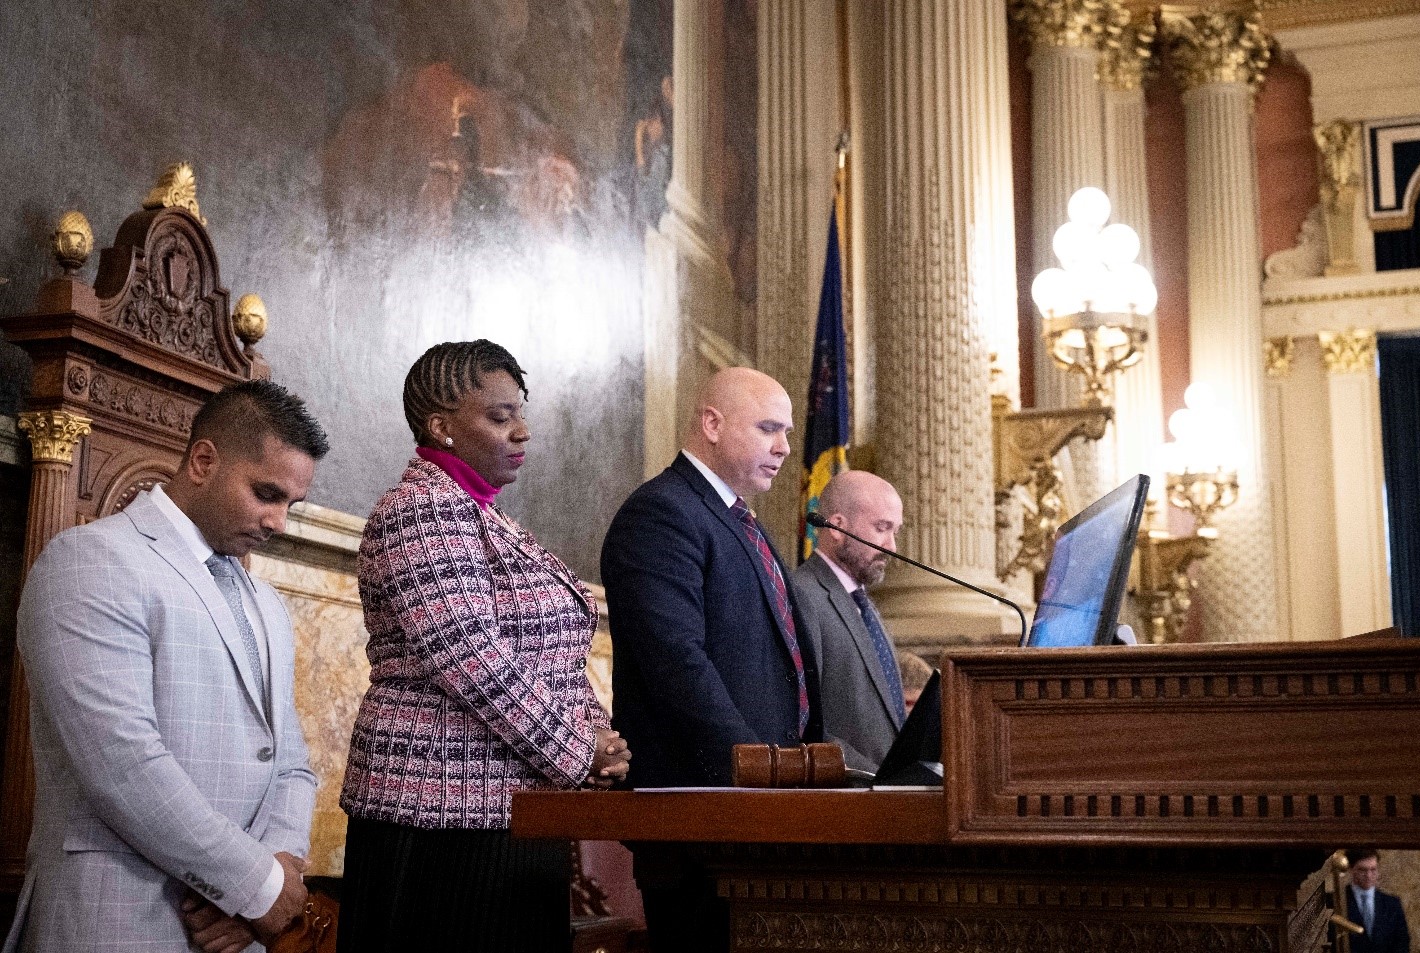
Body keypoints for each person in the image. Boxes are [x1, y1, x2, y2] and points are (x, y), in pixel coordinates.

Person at [4, 379, 329, 953]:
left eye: (291, 504)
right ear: (203, 461)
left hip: (236, 933)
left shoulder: (267, 602)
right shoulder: (90, 561)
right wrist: (257, 889)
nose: (278, 521)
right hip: (117, 919)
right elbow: (123, 766)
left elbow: (290, 764)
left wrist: (269, 879)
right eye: (266, 493)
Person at [338, 340, 630, 953]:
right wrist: (580, 750)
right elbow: (472, 660)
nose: (522, 431)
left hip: (519, 808)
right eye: (500, 417)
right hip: (439, 813)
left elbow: (552, 658)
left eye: (520, 413)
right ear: (440, 427)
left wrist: (599, 735)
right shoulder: (417, 512)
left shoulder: (488, 520)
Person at [601, 366, 822, 952]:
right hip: (703, 816)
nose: (784, 447)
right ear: (712, 424)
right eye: (768, 428)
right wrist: (754, 768)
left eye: (787, 432)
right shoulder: (662, 513)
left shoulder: (740, 520)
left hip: (760, 813)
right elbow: (676, 663)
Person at [791, 470, 905, 773]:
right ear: (838, 527)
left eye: (895, 531)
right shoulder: (802, 595)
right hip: (850, 791)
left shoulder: (862, 602)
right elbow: (804, 722)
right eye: (881, 528)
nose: (891, 546)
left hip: (889, 792)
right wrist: (877, 778)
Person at [1341, 849, 1411, 953]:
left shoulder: (1392, 904)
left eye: (1373, 869)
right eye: (1362, 870)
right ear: (1351, 869)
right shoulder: (1337, 901)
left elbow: (1402, 943)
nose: (1368, 875)